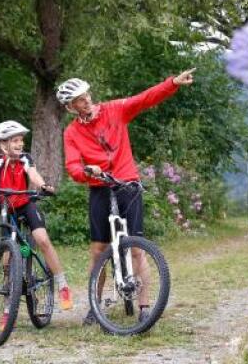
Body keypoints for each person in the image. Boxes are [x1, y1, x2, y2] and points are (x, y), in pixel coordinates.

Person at [57, 69, 195, 325]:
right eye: (78, 99)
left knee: (135, 247)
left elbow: (144, 99)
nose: (85, 100)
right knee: (98, 251)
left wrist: (172, 83)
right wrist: (86, 171)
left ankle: (144, 307)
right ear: (71, 107)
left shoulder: (114, 109)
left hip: (127, 183)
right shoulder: (72, 133)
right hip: (99, 187)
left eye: (85, 94)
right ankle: (94, 306)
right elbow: (72, 166)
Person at [0, 120, 73, 330]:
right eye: (15, 141)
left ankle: (62, 285)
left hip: (25, 205)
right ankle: (7, 308)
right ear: (3, 144)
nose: (20, 144)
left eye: (21, 140)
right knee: (7, 260)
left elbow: (33, 174)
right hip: (6, 209)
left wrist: (43, 185)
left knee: (41, 239)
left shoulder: (25, 159)